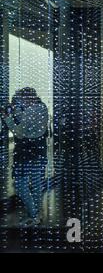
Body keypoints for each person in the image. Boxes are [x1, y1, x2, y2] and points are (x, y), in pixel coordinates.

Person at [1, 87, 49, 227]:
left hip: (25, 153)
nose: (19, 103)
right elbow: (27, 121)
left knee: (20, 184)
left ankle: (33, 214)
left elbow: (19, 133)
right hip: (39, 151)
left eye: (20, 100)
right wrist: (16, 111)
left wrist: (7, 118)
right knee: (36, 184)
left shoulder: (31, 111)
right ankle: (37, 215)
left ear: (27, 99)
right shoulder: (42, 108)